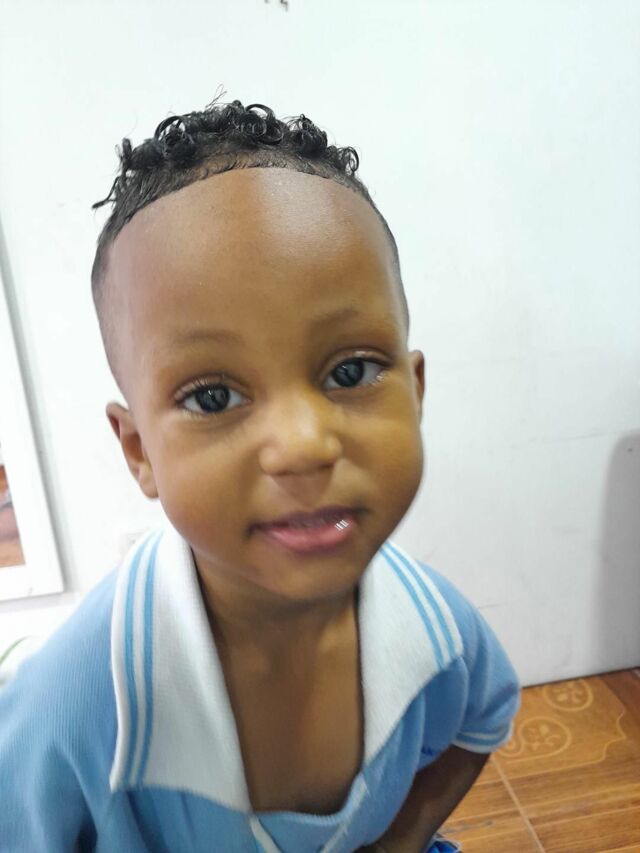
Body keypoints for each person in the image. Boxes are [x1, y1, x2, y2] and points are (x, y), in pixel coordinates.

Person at [0, 95, 520, 852]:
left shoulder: (436, 627)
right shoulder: (74, 702)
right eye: (213, 396)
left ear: (415, 391)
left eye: (350, 371)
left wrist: (397, 841)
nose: (303, 445)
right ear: (139, 450)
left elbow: (483, 718)